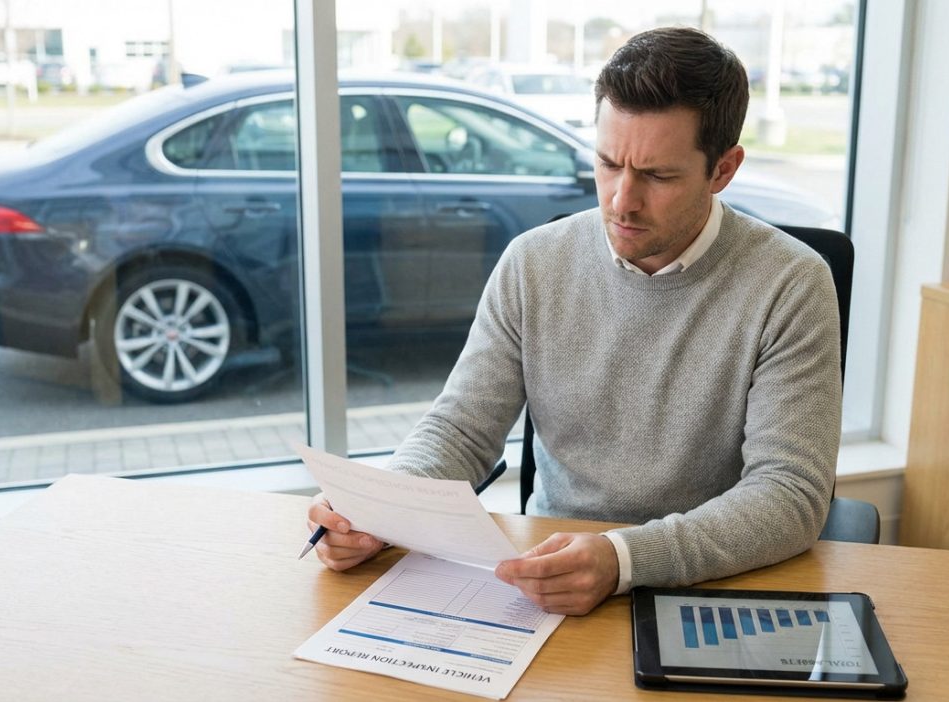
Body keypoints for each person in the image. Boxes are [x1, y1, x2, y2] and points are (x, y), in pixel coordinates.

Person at [307, 26, 841, 616]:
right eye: (608, 164)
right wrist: (382, 511)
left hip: (709, 589)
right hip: (549, 578)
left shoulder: (790, 284)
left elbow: (789, 495)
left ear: (724, 170)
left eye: (658, 176)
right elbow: (461, 430)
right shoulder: (533, 263)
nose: (621, 201)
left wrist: (624, 558)